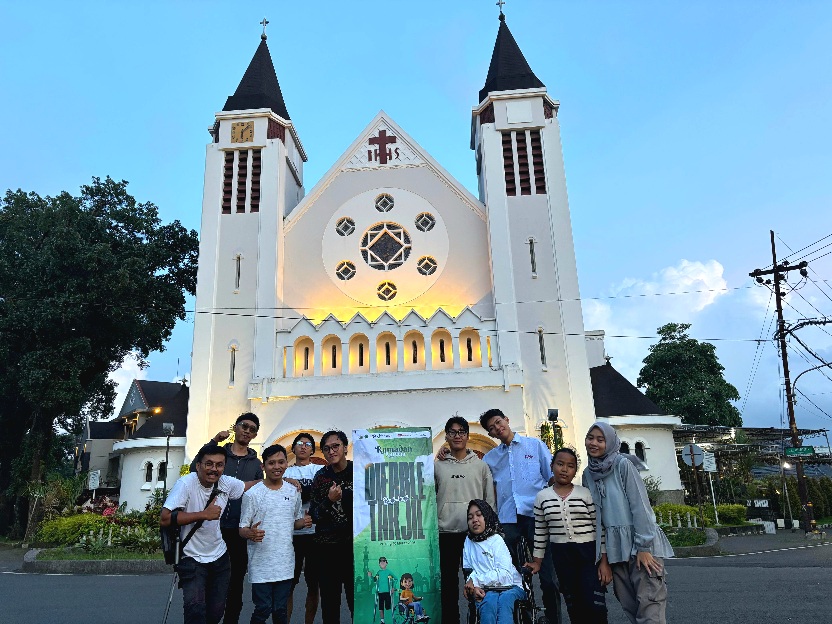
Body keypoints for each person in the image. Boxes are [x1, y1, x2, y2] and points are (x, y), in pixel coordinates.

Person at [582, 422, 674, 624]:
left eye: (600, 439)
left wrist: (644, 546)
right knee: (631, 608)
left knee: (650, 607)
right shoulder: (588, 474)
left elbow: (640, 506)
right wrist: (603, 559)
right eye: (591, 437)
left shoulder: (623, 465)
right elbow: (597, 521)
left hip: (641, 546)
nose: (594, 443)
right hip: (615, 552)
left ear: (611, 442)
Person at [478, 409, 560, 623]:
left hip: (536, 516)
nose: (497, 428)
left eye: (498, 422)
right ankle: (522, 615)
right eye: (492, 428)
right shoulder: (490, 458)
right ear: (491, 434)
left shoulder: (534, 446)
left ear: (507, 419)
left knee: (548, 577)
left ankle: (553, 618)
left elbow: (551, 478)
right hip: (507, 519)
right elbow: (472, 469)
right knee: (513, 575)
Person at [161, 443, 249, 624]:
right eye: (209, 464)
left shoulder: (226, 483)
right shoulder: (186, 484)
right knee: (195, 609)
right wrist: (204, 515)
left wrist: (281, 480)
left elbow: (247, 486)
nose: (214, 469)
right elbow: (165, 518)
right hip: (191, 557)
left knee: (216, 612)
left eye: (219, 465)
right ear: (198, 465)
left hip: (219, 557)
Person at [192, 413, 265, 624]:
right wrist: (214, 441)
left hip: (238, 531)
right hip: (211, 527)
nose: (247, 431)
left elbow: (262, 492)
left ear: (255, 434)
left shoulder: (256, 464)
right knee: (208, 580)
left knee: (235, 583)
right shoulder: (218, 453)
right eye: (244, 426)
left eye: (252, 429)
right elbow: (193, 469)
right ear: (235, 427)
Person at [527, 447, 608, 623]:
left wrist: (604, 562)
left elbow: (598, 528)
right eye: (560, 464)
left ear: (575, 471)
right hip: (562, 556)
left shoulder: (585, 494)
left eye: (570, 466)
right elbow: (541, 532)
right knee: (574, 605)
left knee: (595, 605)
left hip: (589, 556)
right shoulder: (542, 497)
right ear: (552, 466)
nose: (564, 469)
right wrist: (537, 561)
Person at [434, 415, 495, 624]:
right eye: (452, 432)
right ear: (447, 436)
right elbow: (429, 499)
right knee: (448, 586)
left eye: (461, 432)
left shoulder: (480, 466)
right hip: (445, 533)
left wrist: (491, 532)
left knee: (477, 584)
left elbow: (489, 501)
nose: (457, 435)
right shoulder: (437, 466)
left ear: (468, 435)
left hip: (475, 535)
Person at [239, 444, 309, 624]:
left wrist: (305, 522)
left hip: (285, 563)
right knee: (262, 609)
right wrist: (250, 533)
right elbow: (242, 529)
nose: (276, 467)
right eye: (271, 463)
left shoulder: (293, 491)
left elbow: (294, 522)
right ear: (263, 467)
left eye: (281, 462)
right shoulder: (252, 494)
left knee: (280, 611)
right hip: (260, 564)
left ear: (287, 464)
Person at [310, 430, 354, 624]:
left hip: (355, 548)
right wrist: (329, 500)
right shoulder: (321, 477)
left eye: (335, 446)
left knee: (358, 601)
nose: (331, 451)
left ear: (345, 448)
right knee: (329, 604)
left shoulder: (359, 472)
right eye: (326, 448)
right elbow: (315, 515)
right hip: (327, 549)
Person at [462, 499, 524, 624]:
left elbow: (505, 575)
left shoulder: (496, 540)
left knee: (505, 600)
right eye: (470, 517)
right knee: (488, 600)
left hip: (511, 586)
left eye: (479, 515)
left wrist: (476, 581)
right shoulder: (468, 541)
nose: (474, 520)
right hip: (486, 589)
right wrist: (472, 587)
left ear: (487, 517)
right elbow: (470, 572)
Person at [284, 432, 323, 624]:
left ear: (312, 449)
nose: (303, 446)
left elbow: (318, 495)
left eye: (308, 444)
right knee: (288, 585)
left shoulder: (320, 470)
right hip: (292, 534)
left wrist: (300, 490)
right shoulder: (285, 472)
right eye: (299, 443)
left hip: (315, 534)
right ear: (293, 448)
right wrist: (291, 483)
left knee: (313, 584)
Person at [368, 556, 397, 624]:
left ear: (386, 563)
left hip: (387, 592)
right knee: (380, 607)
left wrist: (393, 587)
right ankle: (382, 621)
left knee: (388, 607)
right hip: (380, 592)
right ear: (379, 564)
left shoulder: (389, 571)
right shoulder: (379, 572)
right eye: (381, 561)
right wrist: (371, 576)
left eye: (384, 561)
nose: (382, 562)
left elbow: (396, 578)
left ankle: (391, 618)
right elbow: (375, 580)